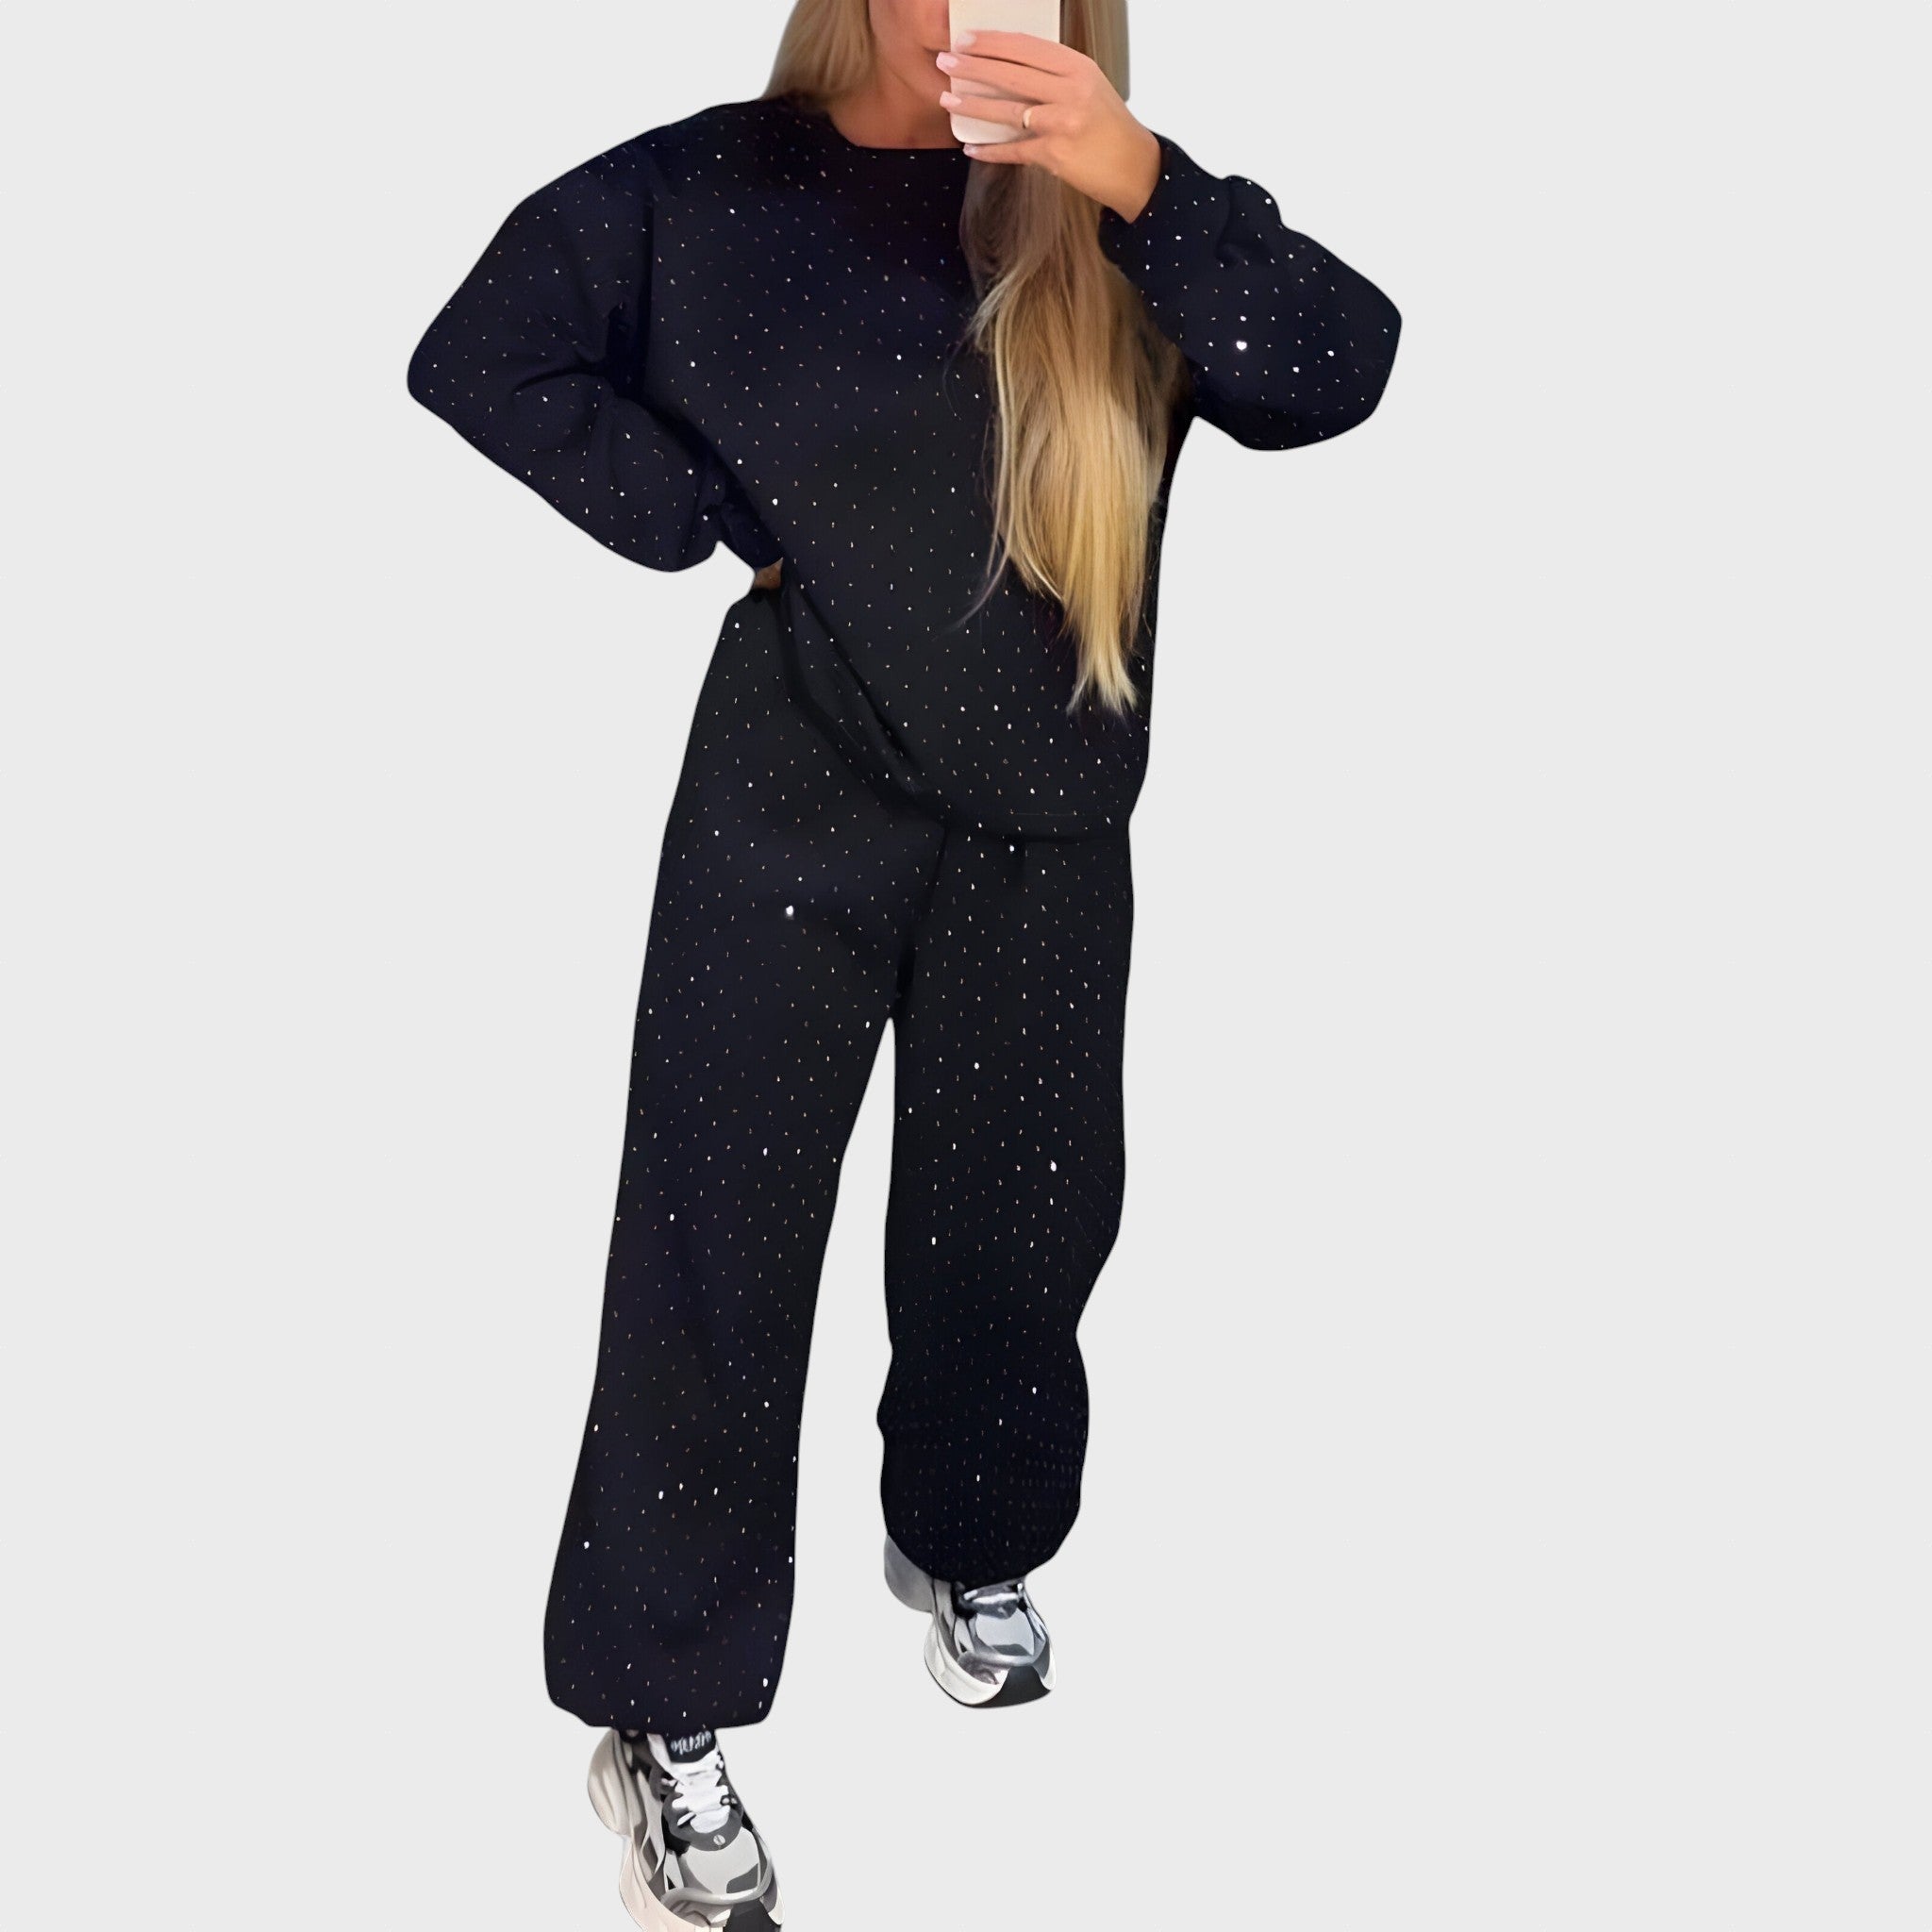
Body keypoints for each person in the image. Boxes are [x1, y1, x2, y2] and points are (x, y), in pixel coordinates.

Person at [406, 0, 1400, 1923]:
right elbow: (482, 349)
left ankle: (968, 1532)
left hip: (1048, 812)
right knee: (716, 1239)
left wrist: (1132, 175)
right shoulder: (710, 191)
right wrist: (698, 518)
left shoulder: (1117, 214)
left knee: (1020, 1227)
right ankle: (662, 1705)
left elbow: (1339, 365)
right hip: (792, 790)